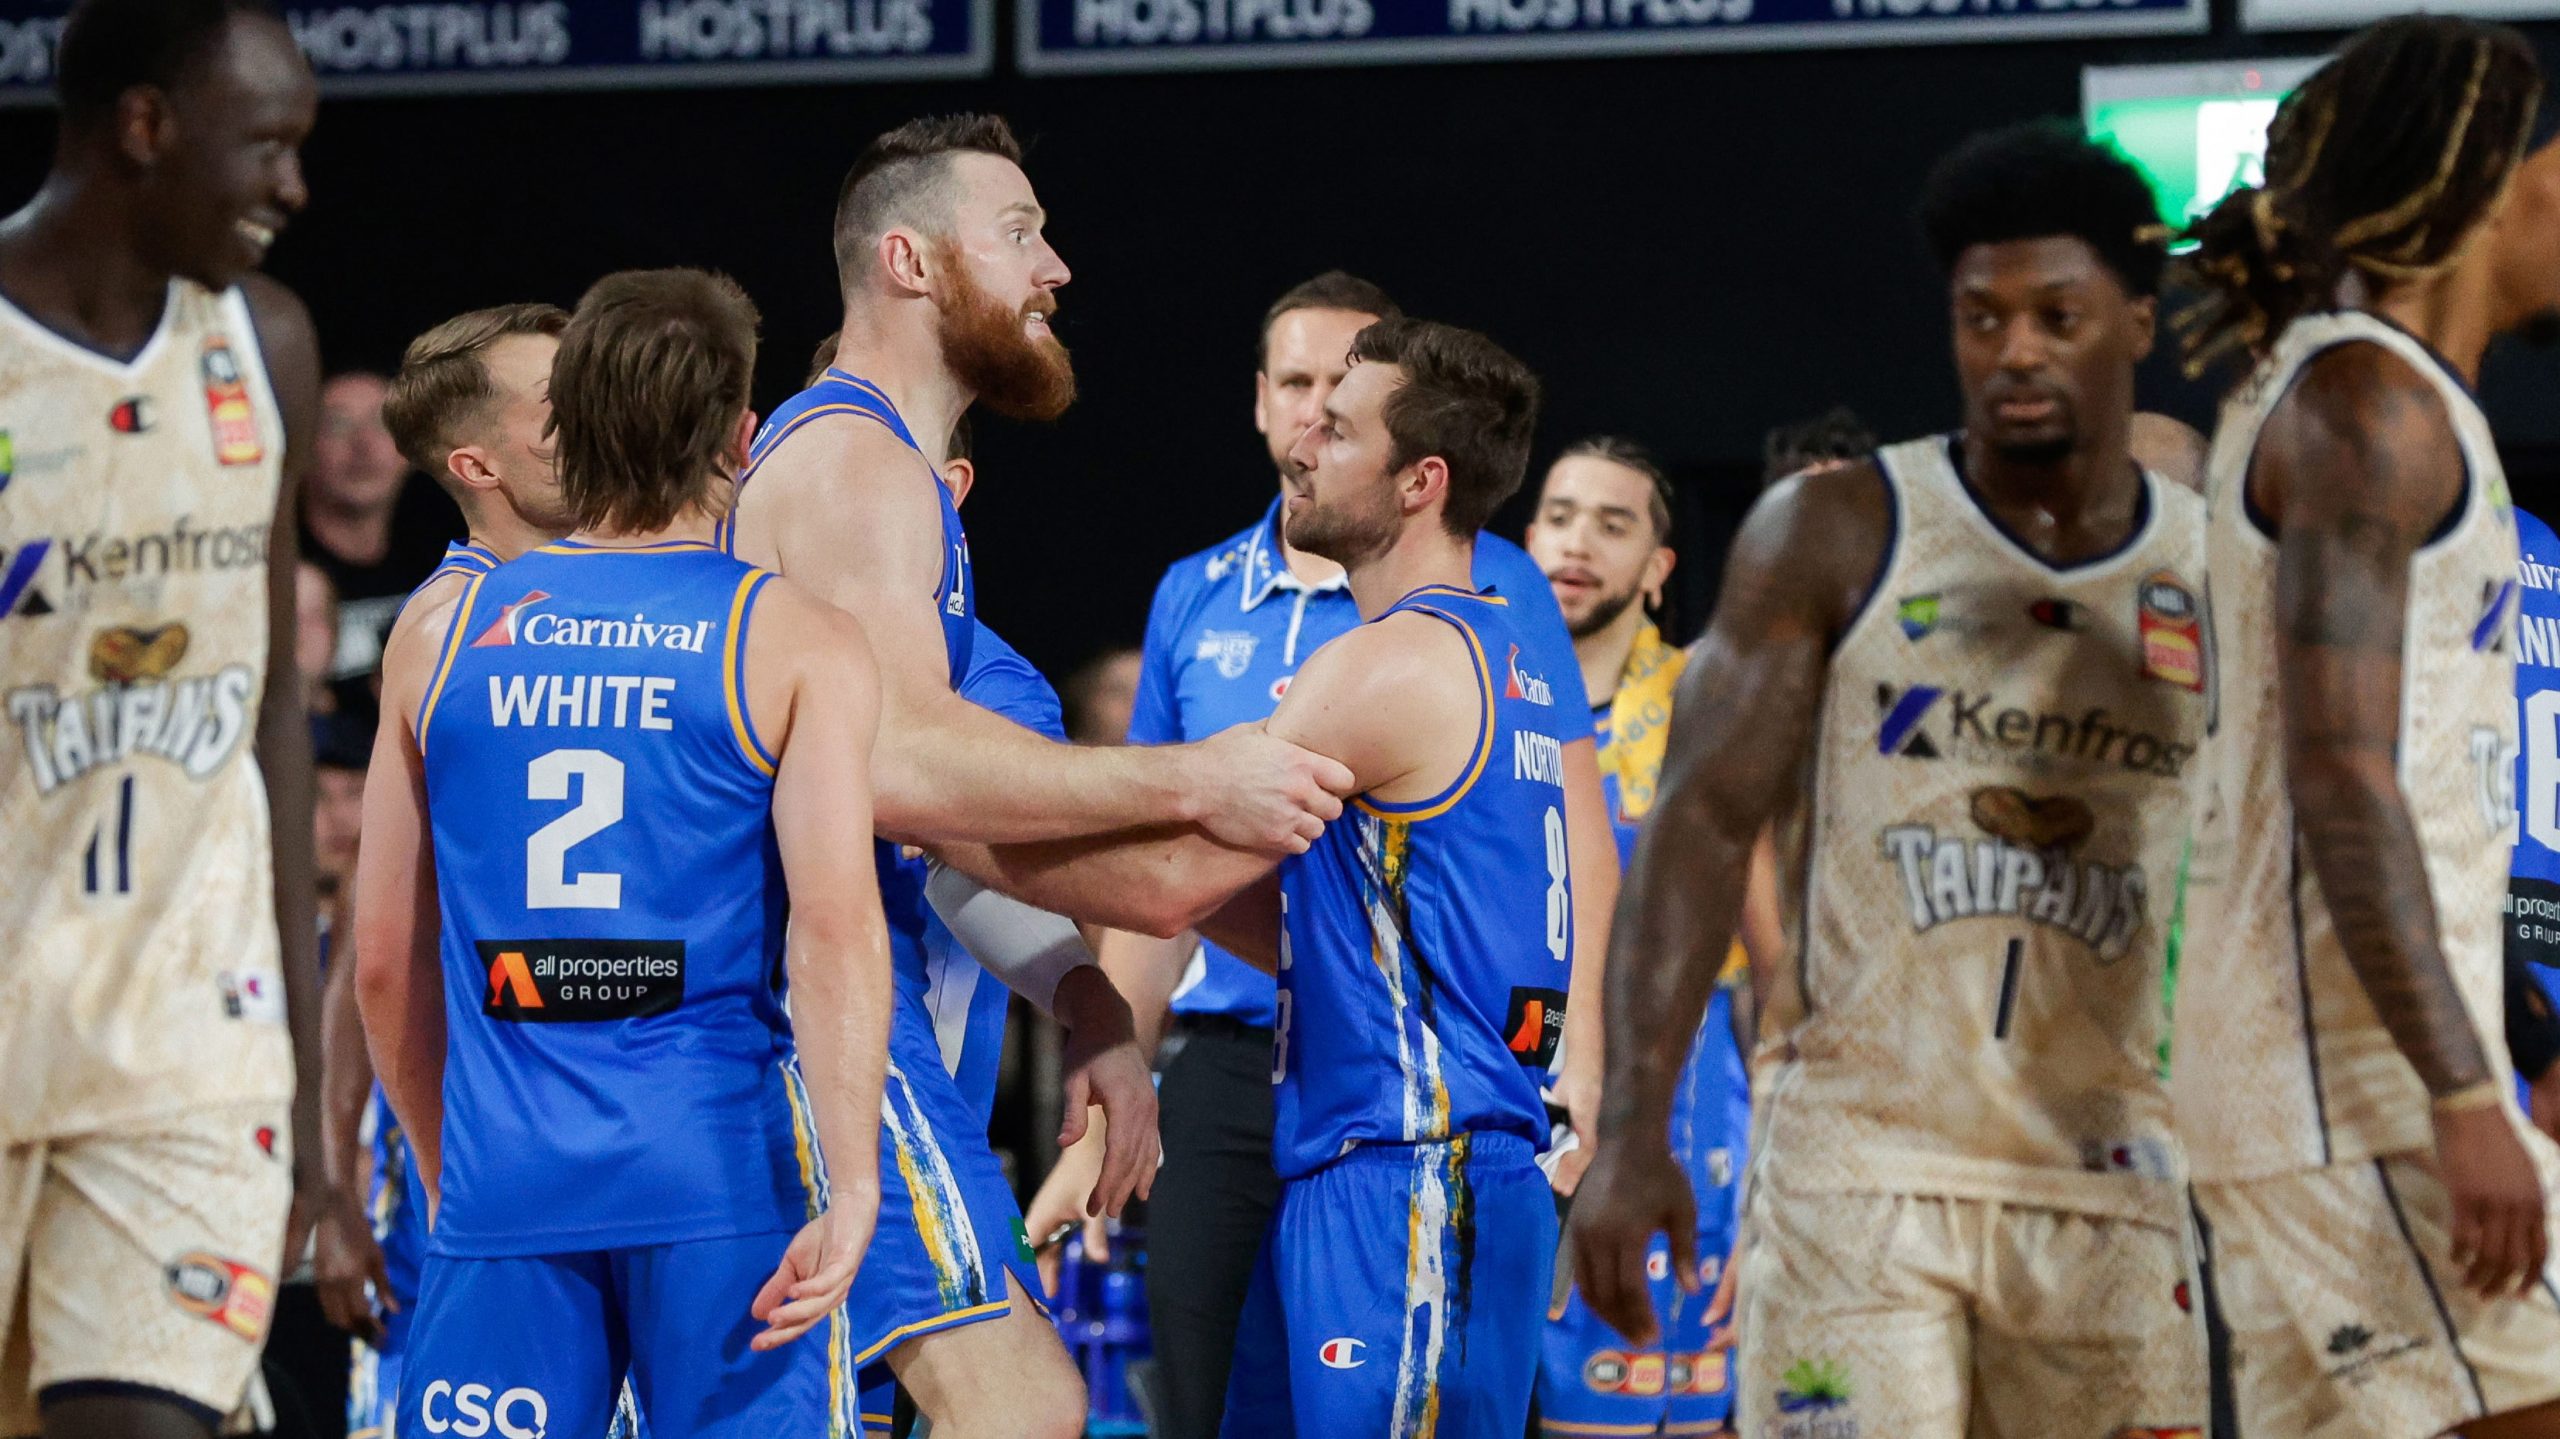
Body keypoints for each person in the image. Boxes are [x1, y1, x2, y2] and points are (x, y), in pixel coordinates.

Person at [1568, 121, 2209, 1439]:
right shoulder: (1840, 528)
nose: (2016, 348)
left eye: (2056, 313)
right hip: (1862, 1162)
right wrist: (1636, 1127)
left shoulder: (2217, 576)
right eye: (1983, 317)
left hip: (2110, 1166)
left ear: (2138, 320)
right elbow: (1697, 825)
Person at [721, 112, 1346, 1435]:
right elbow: (903, 773)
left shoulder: (895, 486)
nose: (1054, 267)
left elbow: (957, 832)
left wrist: (1095, 993)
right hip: (804, 1020)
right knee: (1023, 1407)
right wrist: (1194, 785)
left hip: (832, 1014)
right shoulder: (850, 460)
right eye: (1018, 233)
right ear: (907, 260)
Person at [948, 315, 1579, 1437]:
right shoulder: (1504, 649)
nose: (1300, 442)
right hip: (1427, 1162)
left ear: (1419, 481)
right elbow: (1301, 927)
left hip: (1410, 1166)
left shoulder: (1382, 663)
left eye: (1336, 430)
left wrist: (936, 818)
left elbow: (1167, 886)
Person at [354, 267, 895, 1438]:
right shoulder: (794, 636)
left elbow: (384, 961)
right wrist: (854, 1182)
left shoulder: (440, 631)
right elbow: (835, 930)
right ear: (743, 436)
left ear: (574, 427)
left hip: (509, 1181)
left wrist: (461, 1184)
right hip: (715, 1181)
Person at [2174, 17, 2560, 1435]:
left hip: (2323, 1073)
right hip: (2356, 1084)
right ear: (2474, 194)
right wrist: (2464, 1092)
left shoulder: (2369, 398)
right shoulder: (2365, 404)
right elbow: (2345, 783)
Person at [0, 2, 322, 1435]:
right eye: (266, 146)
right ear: (144, 128)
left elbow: (272, 710)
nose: (292, 190)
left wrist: (305, 1076)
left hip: (192, 1048)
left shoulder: (267, 346)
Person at [312, 299, 573, 1439]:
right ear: (476, 461)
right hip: (492, 1159)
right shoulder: (450, 629)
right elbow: (378, 957)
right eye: (559, 405)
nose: (596, 417)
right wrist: (380, 1173)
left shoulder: (680, 589)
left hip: (650, 1153)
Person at [1524, 437, 1750, 1439]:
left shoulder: (1710, 701)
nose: (1578, 542)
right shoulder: (1469, 690)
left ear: (1659, 569)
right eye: (1561, 514)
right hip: (1509, 1105)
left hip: (1689, 1108)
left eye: (1613, 524)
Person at [298, 369, 465, 693]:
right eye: (338, 424)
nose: (363, 444)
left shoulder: (448, 559)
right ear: (302, 451)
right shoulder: (285, 574)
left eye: (382, 424)